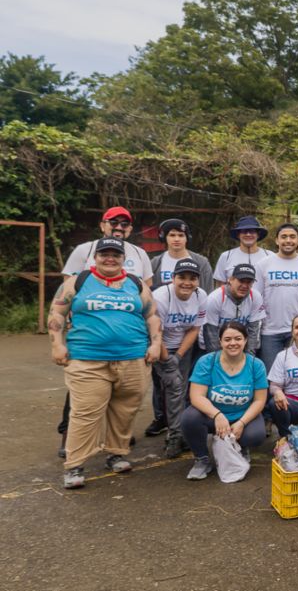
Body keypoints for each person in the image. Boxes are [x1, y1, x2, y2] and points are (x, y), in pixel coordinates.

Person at [48, 237, 160, 489]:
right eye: (104, 254)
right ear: (95, 257)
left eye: (115, 254)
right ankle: (75, 465)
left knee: (125, 410)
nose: (110, 258)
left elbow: (152, 315)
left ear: (123, 258)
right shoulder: (77, 281)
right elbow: (57, 312)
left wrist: (155, 344)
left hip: (133, 358)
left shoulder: (135, 283)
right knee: (85, 412)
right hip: (87, 360)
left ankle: (116, 454)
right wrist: (57, 344)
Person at [180, 321, 268, 481]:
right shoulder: (207, 362)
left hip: (241, 415)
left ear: (245, 340)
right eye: (227, 339)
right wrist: (217, 415)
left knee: (256, 435)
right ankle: (202, 459)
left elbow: (259, 401)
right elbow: (196, 396)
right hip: (212, 415)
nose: (233, 343)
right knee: (189, 418)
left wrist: (241, 422)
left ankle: (239, 448)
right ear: (220, 341)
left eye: (238, 338)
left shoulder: (256, 365)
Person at [150, 259, 208, 458]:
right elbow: (155, 332)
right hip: (158, 345)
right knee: (173, 388)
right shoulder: (161, 297)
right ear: (173, 278)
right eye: (182, 277)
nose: (187, 283)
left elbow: (194, 329)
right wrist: (167, 360)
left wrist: (179, 356)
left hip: (183, 346)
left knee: (180, 389)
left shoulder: (201, 296)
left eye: (192, 278)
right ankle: (174, 435)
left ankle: (178, 432)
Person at [255, 224, 298, 371]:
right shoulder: (263, 265)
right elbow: (255, 298)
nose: (288, 240)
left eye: (292, 237)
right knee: (272, 375)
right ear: (277, 240)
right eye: (284, 237)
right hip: (270, 331)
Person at [61, 206, 153, 284]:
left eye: (124, 224)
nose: (119, 227)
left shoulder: (140, 253)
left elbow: (147, 285)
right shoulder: (84, 250)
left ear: (130, 229)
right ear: (102, 226)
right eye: (114, 223)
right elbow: (68, 283)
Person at [200, 263, 265, 354]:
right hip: (213, 344)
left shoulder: (255, 297)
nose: (244, 286)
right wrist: (219, 358)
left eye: (249, 282)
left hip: (240, 344)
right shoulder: (215, 298)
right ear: (230, 280)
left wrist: (250, 356)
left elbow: (253, 330)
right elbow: (211, 334)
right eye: (241, 281)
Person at [150, 218, 213, 292]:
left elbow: (209, 291)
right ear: (164, 238)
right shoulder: (155, 263)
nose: (177, 239)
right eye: (172, 235)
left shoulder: (202, 263)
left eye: (181, 235)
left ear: (187, 238)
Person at [212, 215, 274, 287]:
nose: (248, 234)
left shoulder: (270, 256)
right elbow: (220, 286)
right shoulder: (226, 256)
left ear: (258, 234)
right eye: (244, 231)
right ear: (238, 235)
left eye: (252, 231)